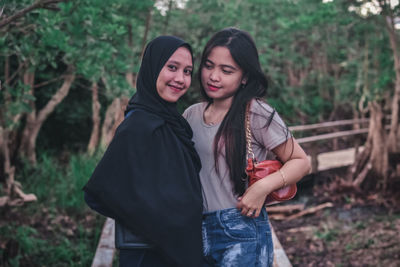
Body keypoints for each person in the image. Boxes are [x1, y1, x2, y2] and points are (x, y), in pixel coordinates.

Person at [183, 27, 311, 266]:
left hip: (240, 229)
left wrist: (261, 188)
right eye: (209, 65)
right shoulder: (191, 115)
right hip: (195, 229)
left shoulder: (256, 113)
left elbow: (302, 162)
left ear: (244, 77)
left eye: (226, 70)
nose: (213, 76)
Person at [83, 36, 206, 267]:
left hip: (176, 248)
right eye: (172, 67)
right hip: (149, 254)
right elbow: (99, 192)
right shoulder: (139, 125)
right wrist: (157, 223)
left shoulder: (173, 123)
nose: (180, 79)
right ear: (152, 67)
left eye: (188, 71)